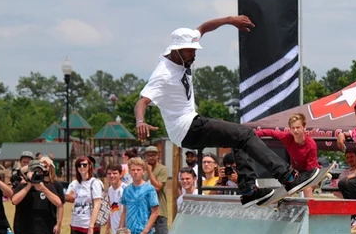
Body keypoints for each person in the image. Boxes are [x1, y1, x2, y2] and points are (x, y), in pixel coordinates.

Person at [134, 16, 320, 208]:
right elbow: (142, 101)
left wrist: (231, 20)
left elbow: (204, 27)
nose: (194, 56)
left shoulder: (185, 49)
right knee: (245, 134)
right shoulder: (162, 73)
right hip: (187, 127)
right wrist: (140, 121)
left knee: (239, 136)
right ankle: (289, 177)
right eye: (190, 52)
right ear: (177, 51)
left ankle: (249, 191)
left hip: (191, 124)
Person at [255, 113, 320, 197]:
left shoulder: (311, 144)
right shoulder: (288, 137)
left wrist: (301, 182)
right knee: (287, 189)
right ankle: (286, 209)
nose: (295, 130)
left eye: (298, 127)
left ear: (304, 127)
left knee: (307, 188)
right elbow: (270, 132)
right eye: (293, 128)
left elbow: (310, 169)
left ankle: (310, 209)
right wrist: (254, 135)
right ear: (290, 129)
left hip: (312, 172)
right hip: (297, 172)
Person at [65, 156, 103, 234]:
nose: (82, 167)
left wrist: (91, 226)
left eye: (84, 165)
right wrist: (71, 196)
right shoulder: (75, 183)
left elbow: (97, 205)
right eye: (79, 165)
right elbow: (67, 197)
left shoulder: (95, 183)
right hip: (76, 223)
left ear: (90, 166)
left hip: (89, 224)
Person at [119, 157, 159, 234]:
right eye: (133, 170)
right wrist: (120, 230)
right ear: (129, 171)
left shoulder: (149, 189)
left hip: (144, 233)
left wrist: (145, 231)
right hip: (129, 233)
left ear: (143, 172)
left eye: (138, 170)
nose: (136, 172)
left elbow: (155, 212)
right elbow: (124, 211)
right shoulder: (127, 190)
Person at [40, 156, 65, 234]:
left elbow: (60, 206)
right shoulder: (36, 183)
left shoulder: (56, 185)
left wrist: (59, 224)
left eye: (46, 165)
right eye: (41, 165)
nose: (44, 167)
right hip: (38, 224)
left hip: (51, 223)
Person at [142, 145, 169, 234]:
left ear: (158, 155)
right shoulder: (143, 170)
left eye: (153, 155)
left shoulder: (162, 169)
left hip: (160, 212)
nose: (151, 158)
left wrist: (149, 171)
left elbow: (157, 187)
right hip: (147, 212)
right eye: (148, 156)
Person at [103, 163, 126, 234]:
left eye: (115, 173)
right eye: (109, 173)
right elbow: (111, 209)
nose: (112, 176)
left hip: (123, 232)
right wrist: (108, 228)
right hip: (114, 231)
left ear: (120, 174)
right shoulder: (110, 190)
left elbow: (125, 212)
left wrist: (118, 232)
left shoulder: (125, 189)